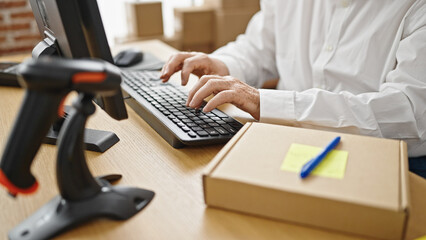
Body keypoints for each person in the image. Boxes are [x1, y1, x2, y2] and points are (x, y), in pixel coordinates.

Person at [160, 0, 426, 157]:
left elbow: (407, 113)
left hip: (385, 159)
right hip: (287, 139)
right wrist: (222, 64)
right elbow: (260, 46)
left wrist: (265, 102)